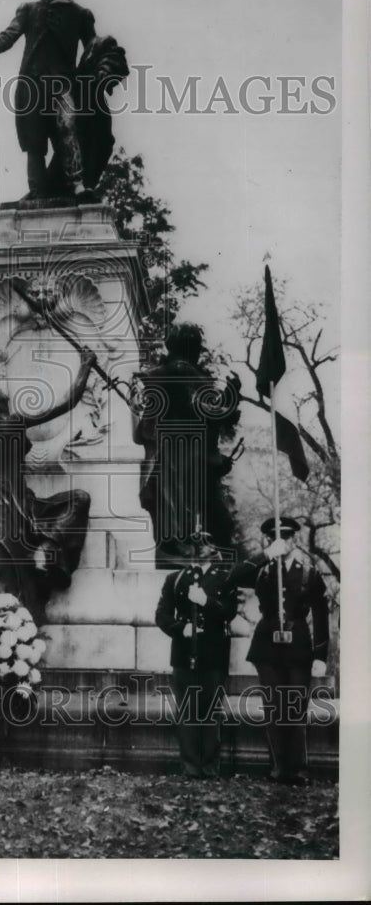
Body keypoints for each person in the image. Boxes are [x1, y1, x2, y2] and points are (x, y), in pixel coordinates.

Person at [0, 346, 96, 623]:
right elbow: (69, 402)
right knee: (79, 499)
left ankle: (41, 553)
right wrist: (86, 365)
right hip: (16, 503)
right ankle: (47, 547)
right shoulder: (13, 423)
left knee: (1, 563)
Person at [0, 0, 100, 202]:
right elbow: (8, 36)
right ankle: (37, 191)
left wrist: (95, 72)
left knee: (67, 129)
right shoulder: (29, 9)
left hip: (62, 85)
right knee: (34, 141)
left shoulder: (81, 15)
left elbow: (93, 47)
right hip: (31, 85)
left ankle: (77, 185)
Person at [226, 516, 329, 785]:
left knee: (295, 707)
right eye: (273, 539)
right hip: (267, 647)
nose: (280, 543)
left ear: (294, 540)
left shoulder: (309, 572)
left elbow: (320, 613)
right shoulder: (263, 569)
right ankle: (278, 768)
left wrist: (320, 654)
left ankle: (298, 770)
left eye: (285, 538)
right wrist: (265, 555)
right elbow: (233, 577)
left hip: (298, 647)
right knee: (273, 709)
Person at [132, 323, 240, 564]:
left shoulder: (160, 376)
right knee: (206, 519)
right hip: (182, 460)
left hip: (182, 460)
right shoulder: (184, 373)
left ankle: (183, 550)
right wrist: (233, 399)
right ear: (192, 348)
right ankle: (187, 551)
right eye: (196, 347)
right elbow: (209, 413)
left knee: (201, 518)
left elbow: (144, 431)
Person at [155, 531, 236, 779]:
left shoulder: (225, 578)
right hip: (183, 654)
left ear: (213, 550)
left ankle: (209, 766)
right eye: (193, 545)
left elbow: (229, 613)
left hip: (214, 653)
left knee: (210, 710)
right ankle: (191, 766)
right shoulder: (175, 579)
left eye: (203, 545)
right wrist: (182, 628)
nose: (198, 550)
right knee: (188, 710)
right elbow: (161, 615)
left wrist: (205, 601)